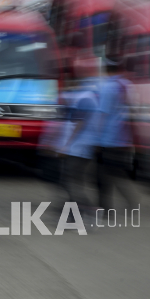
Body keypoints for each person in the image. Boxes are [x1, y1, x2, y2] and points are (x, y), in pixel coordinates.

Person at [95, 58, 139, 209]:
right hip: (123, 138)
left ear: (106, 70)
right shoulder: (127, 85)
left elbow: (102, 114)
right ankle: (116, 205)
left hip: (108, 138)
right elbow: (133, 110)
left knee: (105, 175)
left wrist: (97, 140)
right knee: (116, 172)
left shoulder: (107, 87)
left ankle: (106, 207)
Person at [61, 58, 101, 216]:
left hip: (80, 148)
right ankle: (73, 215)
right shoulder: (86, 96)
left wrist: (66, 144)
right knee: (73, 181)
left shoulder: (85, 98)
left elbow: (79, 123)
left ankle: (89, 209)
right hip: (81, 147)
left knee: (71, 180)